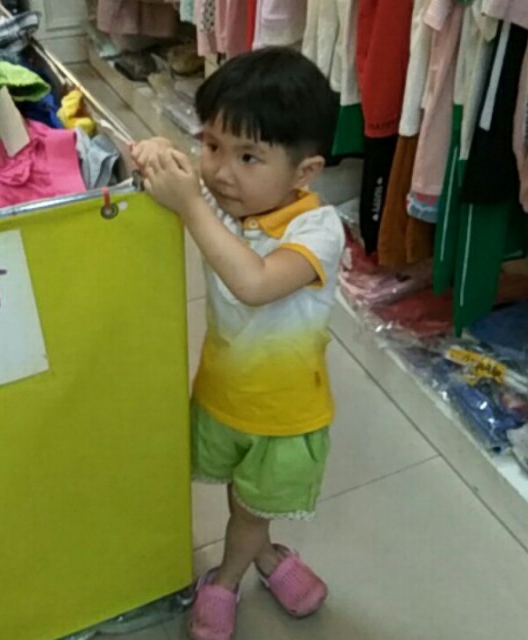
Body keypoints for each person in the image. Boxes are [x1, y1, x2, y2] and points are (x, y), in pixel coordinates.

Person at [132, 47, 344, 640]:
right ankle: (268, 553)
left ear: (304, 172)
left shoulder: (318, 230)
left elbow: (254, 284)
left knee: (251, 506)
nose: (222, 170)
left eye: (248, 156)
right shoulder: (224, 204)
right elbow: (163, 172)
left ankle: (225, 580)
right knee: (244, 495)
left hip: (285, 415)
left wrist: (191, 204)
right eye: (212, 145)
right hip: (223, 394)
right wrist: (155, 152)